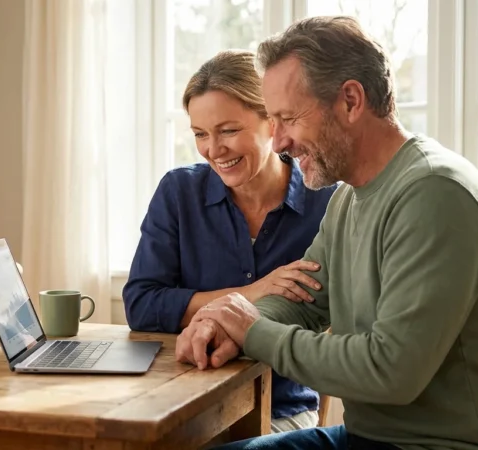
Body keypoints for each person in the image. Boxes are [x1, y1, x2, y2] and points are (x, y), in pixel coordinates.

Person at [176, 16, 478, 450]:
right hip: (373, 440)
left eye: (288, 118)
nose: (277, 142)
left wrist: (253, 331)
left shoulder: (435, 193)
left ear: (350, 101)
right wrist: (225, 321)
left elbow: (390, 372)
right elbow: (305, 297)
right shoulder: (349, 198)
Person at [123, 50, 337, 432]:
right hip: (183, 404)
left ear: (271, 122)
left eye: (228, 130)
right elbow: (141, 304)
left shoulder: (326, 202)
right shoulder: (178, 193)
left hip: (283, 410)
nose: (213, 150)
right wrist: (252, 293)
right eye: (200, 134)